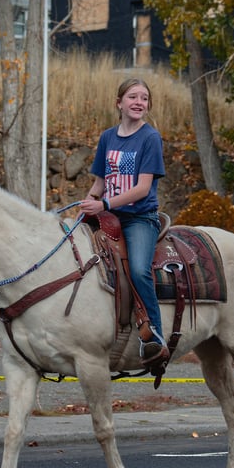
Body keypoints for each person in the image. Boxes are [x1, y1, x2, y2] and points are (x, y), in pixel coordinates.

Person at [79, 78, 169, 369]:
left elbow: (143, 189)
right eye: (133, 96)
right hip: (108, 217)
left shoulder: (150, 138)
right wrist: (87, 204)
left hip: (139, 218)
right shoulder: (108, 137)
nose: (139, 102)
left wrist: (103, 203)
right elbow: (100, 183)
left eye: (144, 98)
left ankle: (153, 335)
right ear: (119, 102)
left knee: (140, 270)